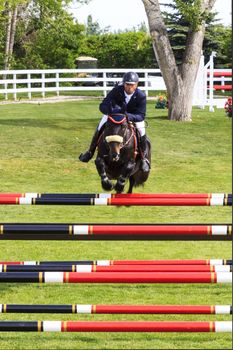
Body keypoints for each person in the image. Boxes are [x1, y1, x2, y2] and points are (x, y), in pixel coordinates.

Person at [79, 71, 150, 172]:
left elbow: (141, 115)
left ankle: (143, 158)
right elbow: (103, 104)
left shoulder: (141, 95)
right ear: (123, 84)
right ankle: (90, 152)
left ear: (136, 84)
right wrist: (109, 111)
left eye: (132, 85)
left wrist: (128, 116)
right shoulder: (117, 90)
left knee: (142, 132)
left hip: (132, 117)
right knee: (100, 126)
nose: (129, 87)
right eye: (127, 84)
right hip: (114, 115)